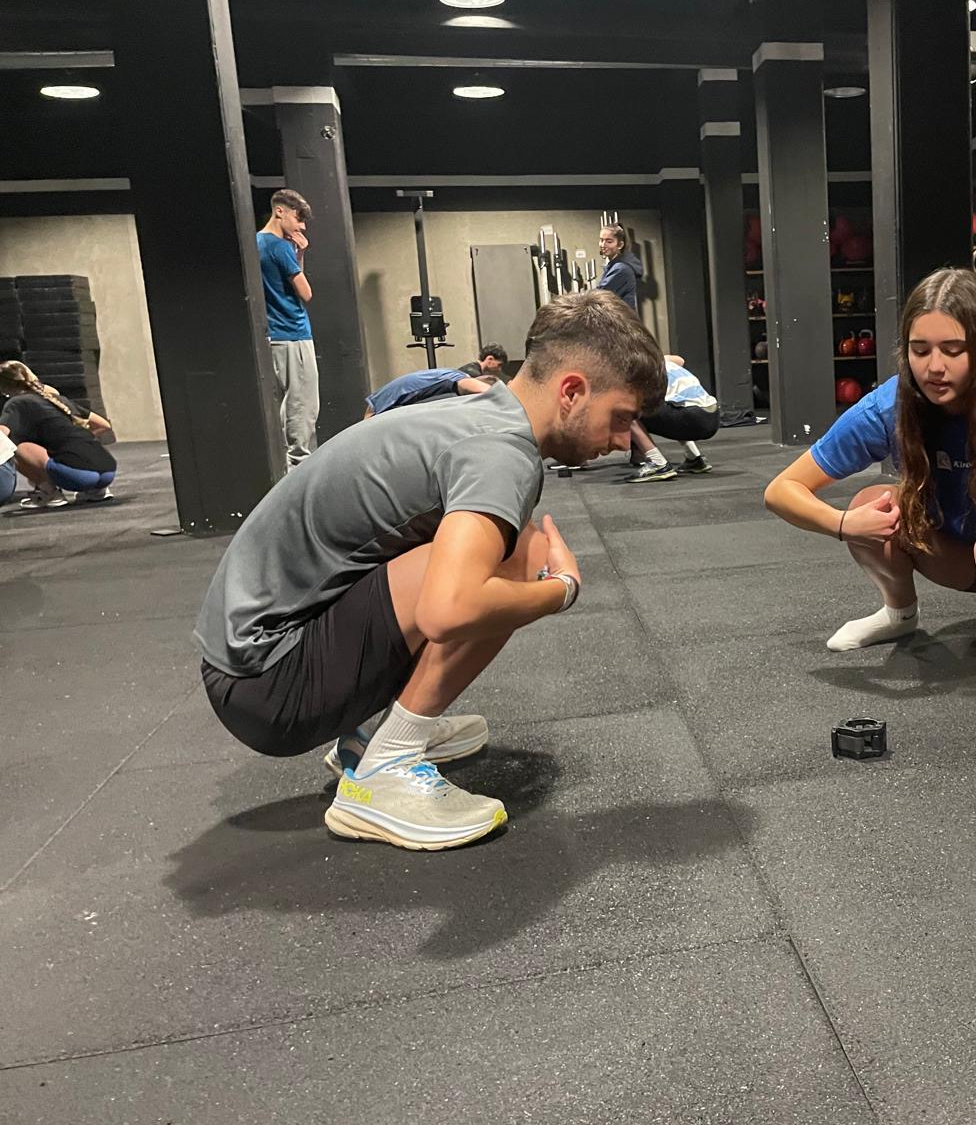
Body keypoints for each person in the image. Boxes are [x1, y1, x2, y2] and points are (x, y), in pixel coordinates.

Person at [193, 291, 666, 851]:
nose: (620, 443)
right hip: (266, 684)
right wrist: (560, 591)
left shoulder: (477, 411)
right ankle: (382, 771)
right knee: (523, 559)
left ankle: (372, 731)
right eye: (622, 419)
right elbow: (450, 609)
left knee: (489, 549)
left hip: (251, 660)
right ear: (571, 391)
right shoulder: (501, 455)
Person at [763, 268, 976, 651]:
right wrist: (844, 524)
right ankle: (898, 614)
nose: (933, 367)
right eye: (920, 350)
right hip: (952, 556)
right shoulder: (889, 408)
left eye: (952, 350)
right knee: (870, 504)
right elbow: (781, 490)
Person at [257, 188, 319, 469]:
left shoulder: (256, 242)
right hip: (293, 333)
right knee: (302, 404)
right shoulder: (279, 246)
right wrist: (297, 252)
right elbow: (305, 293)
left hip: (273, 336)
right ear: (279, 211)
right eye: (298, 217)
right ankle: (299, 467)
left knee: (285, 402)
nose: (302, 225)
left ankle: (287, 463)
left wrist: (298, 254)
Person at [0, 360, 117, 507]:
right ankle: (96, 492)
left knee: (15, 446)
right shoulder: (57, 399)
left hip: (78, 477)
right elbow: (104, 425)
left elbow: (2, 436)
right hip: (107, 472)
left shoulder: (16, 403)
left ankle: (50, 494)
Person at [625, 354, 720, 482]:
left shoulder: (636, 370)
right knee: (673, 403)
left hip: (693, 417)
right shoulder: (661, 361)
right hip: (712, 415)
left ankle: (658, 463)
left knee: (626, 412)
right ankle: (694, 459)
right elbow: (680, 360)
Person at [363, 366, 494, 418]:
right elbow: (481, 389)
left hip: (379, 400)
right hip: (381, 406)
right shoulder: (460, 378)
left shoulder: (451, 374)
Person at [596, 223, 643, 312]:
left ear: (620, 245)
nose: (603, 245)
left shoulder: (621, 269)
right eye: (601, 240)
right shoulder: (614, 265)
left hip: (620, 323)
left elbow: (598, 295)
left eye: (609, 241)